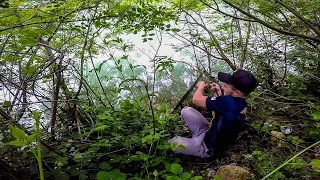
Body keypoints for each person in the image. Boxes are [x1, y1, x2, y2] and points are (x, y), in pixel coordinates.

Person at [169, 69, 258, 158]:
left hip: (207, 147)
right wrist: (218, 92)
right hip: (208, 132)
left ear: (237, 92)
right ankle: (196, 138)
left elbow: (196, 99)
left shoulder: (227, 102)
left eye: (226, 86)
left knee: (173, 142)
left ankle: (197, 146)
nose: (222, 87)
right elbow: (224, 109)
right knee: (186, 111)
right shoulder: (240, 103)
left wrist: (200, 87)